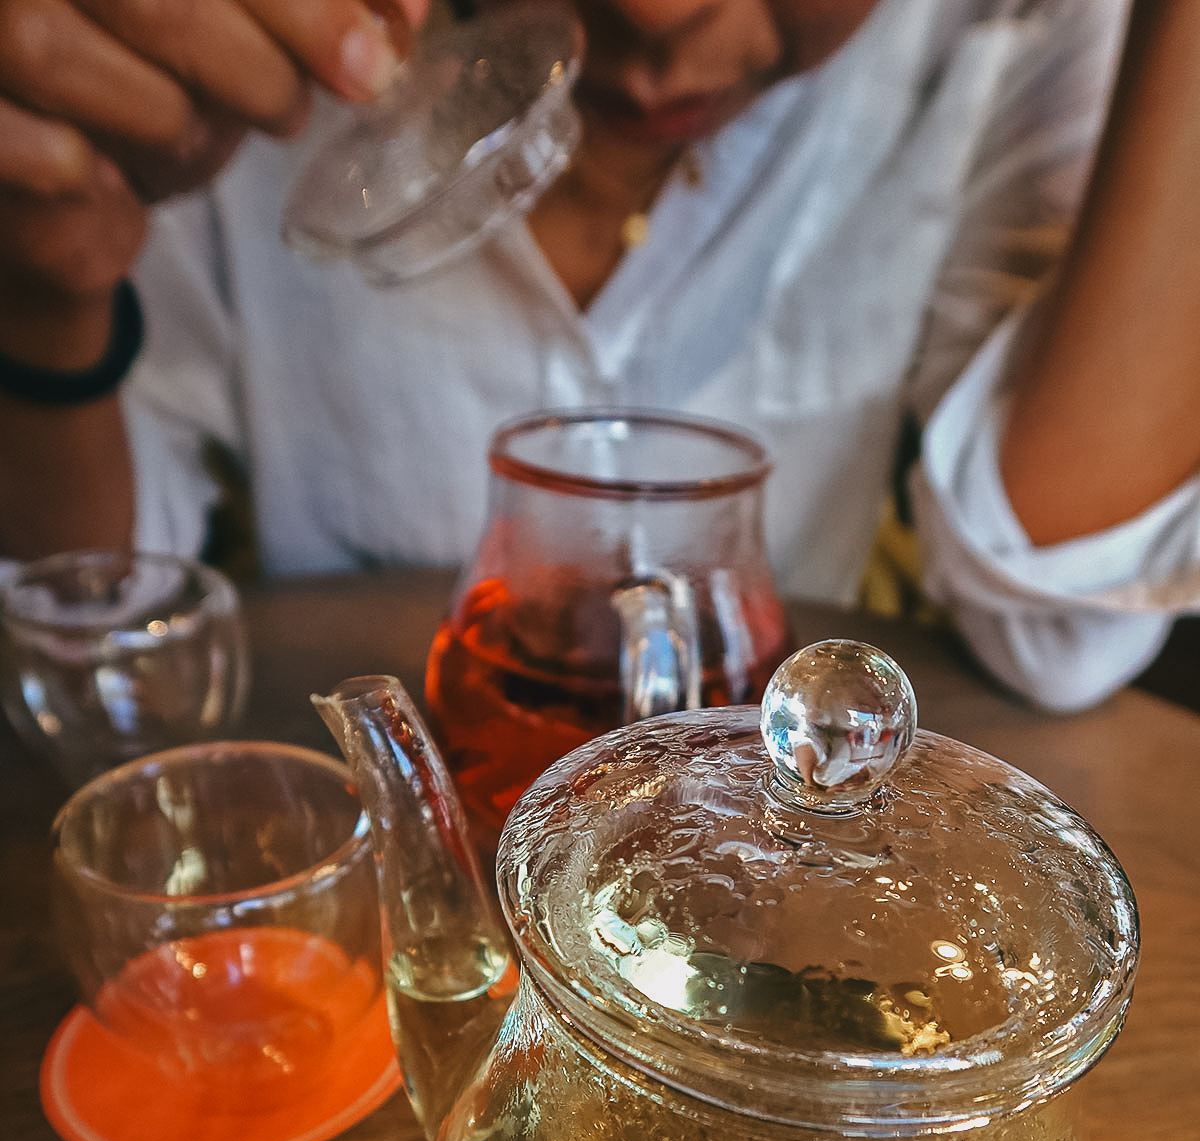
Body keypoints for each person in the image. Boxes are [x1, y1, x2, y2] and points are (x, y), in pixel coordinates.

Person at [0, 0, 1198, 711]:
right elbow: (90, 631)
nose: (664, 26)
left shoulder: (1001, 37)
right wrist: (43, 281)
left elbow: (1064, 627)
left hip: (753, 865)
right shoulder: (236, 58)